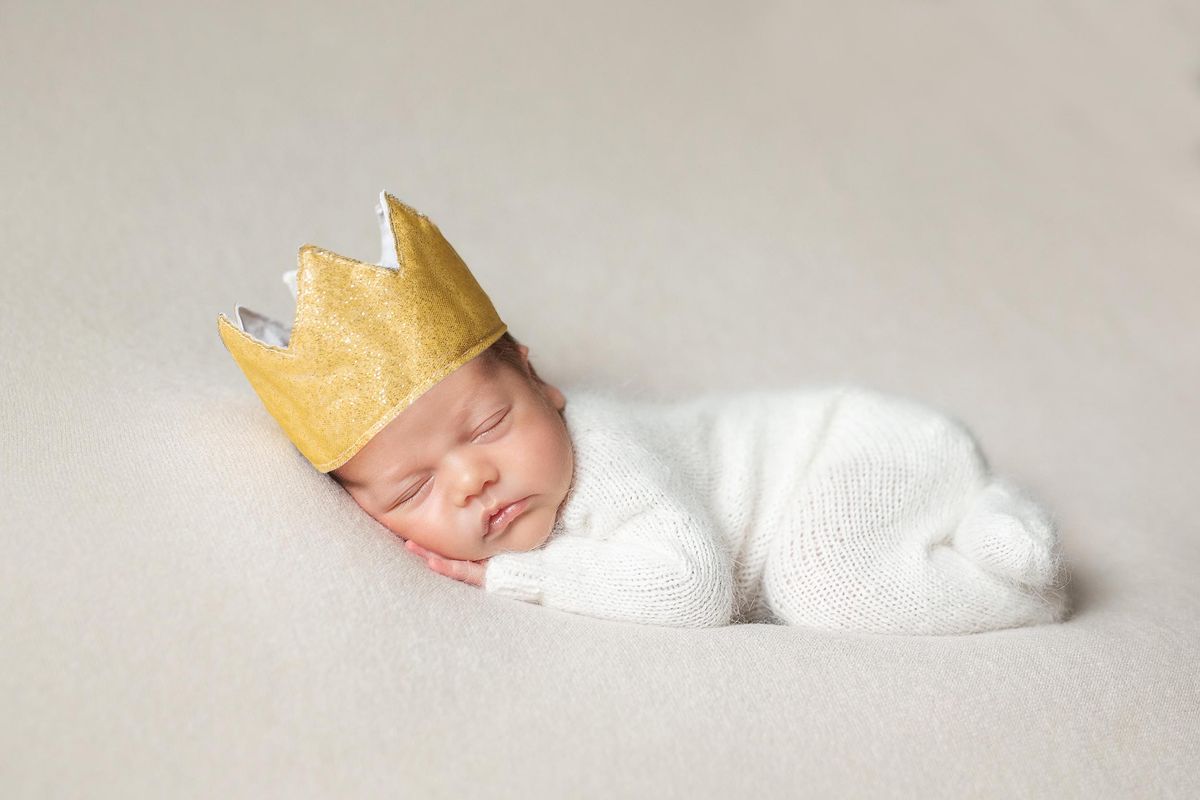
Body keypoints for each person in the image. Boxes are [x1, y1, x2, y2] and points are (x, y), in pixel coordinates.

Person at [217, 191, 1069, 632]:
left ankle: (1013, 582)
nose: (474, 478)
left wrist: (519, 576)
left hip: (852, 446)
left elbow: (692, 586)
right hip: (871, 459)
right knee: (821, 574)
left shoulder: (604, 450)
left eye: (488, 427)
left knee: (819, 582)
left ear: (542, 384)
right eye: (410, 491)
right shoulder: (515, 479)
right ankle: (980, 524)